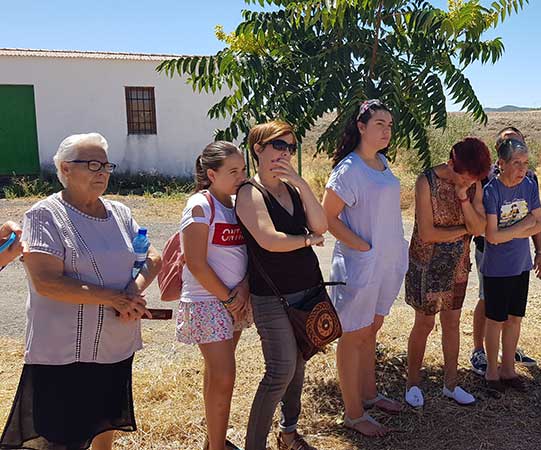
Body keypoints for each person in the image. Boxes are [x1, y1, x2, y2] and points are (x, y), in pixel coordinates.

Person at [0, 133, 162, 450]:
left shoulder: (120, 213)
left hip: (114, 344)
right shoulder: (44, 215)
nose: (101, 171)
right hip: (63, 351)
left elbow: (153, 258)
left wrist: (132, 291)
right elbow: (47, 281)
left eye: (105, 164)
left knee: (103, 424)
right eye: (91, 164)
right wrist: (113, 297)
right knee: (60, 437)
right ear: (65, 168)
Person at [236, 120, 327, 450]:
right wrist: (307, 240)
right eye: (278, 145)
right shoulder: (249, 191)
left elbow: (322, 225)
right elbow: (269, 240)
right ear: (258, 149)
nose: (285, 153)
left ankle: (288, 433)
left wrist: (302, 183)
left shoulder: (291, 188)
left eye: (290, 147)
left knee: (298, 365)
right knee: (279, 372)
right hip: (272, 296)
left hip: (305, 289)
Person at [322, 99, 409, 436]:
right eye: (379, 125)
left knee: (371, 330)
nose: (386, 131)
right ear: (361, 127)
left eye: (389, 125)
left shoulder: (382, 163)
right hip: (361, 264)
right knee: (353, 335)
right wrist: (362, 246)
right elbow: (328, 217)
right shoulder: (348, 170)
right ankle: (353, 412)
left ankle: (370, 395)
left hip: (386, 262)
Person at [404, 137, 491, 408]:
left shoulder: (473, 183)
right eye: (465, 177)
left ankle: (450, 385)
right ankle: (412, 383)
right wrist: (463, 230)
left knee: (452, 323)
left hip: (457, 265)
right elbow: (428, 233)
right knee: (425, 324)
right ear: (452, 164)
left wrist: (464, 197)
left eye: (474, 179)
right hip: (425, 265)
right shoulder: (426, 182)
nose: (469, 181)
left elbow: (479, 228)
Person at [177, 141, 251, 450]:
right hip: (208, 302)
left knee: (218, 374)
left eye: (244, 169)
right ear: (212, 173)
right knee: (224, 376)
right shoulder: (200, 205)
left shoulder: (239, 206)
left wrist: (244, 288)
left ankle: (213, 442)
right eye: (233, 171)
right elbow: (194, 261)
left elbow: (249, 253)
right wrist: (230, 299)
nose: (241, 176)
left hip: (234, 300)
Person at [470, 126, 541, 376]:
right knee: (488, 302)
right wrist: (523, 226)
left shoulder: (529, 180)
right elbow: (486, 230)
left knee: (513, 313)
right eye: (507, 141)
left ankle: (508, 360)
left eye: (517, 140)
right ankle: (481, 352)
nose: (521, 166)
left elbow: (539, 221)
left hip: (519, 256)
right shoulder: (487, 179)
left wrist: (539, 250)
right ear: (500, 156)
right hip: (489, 253)